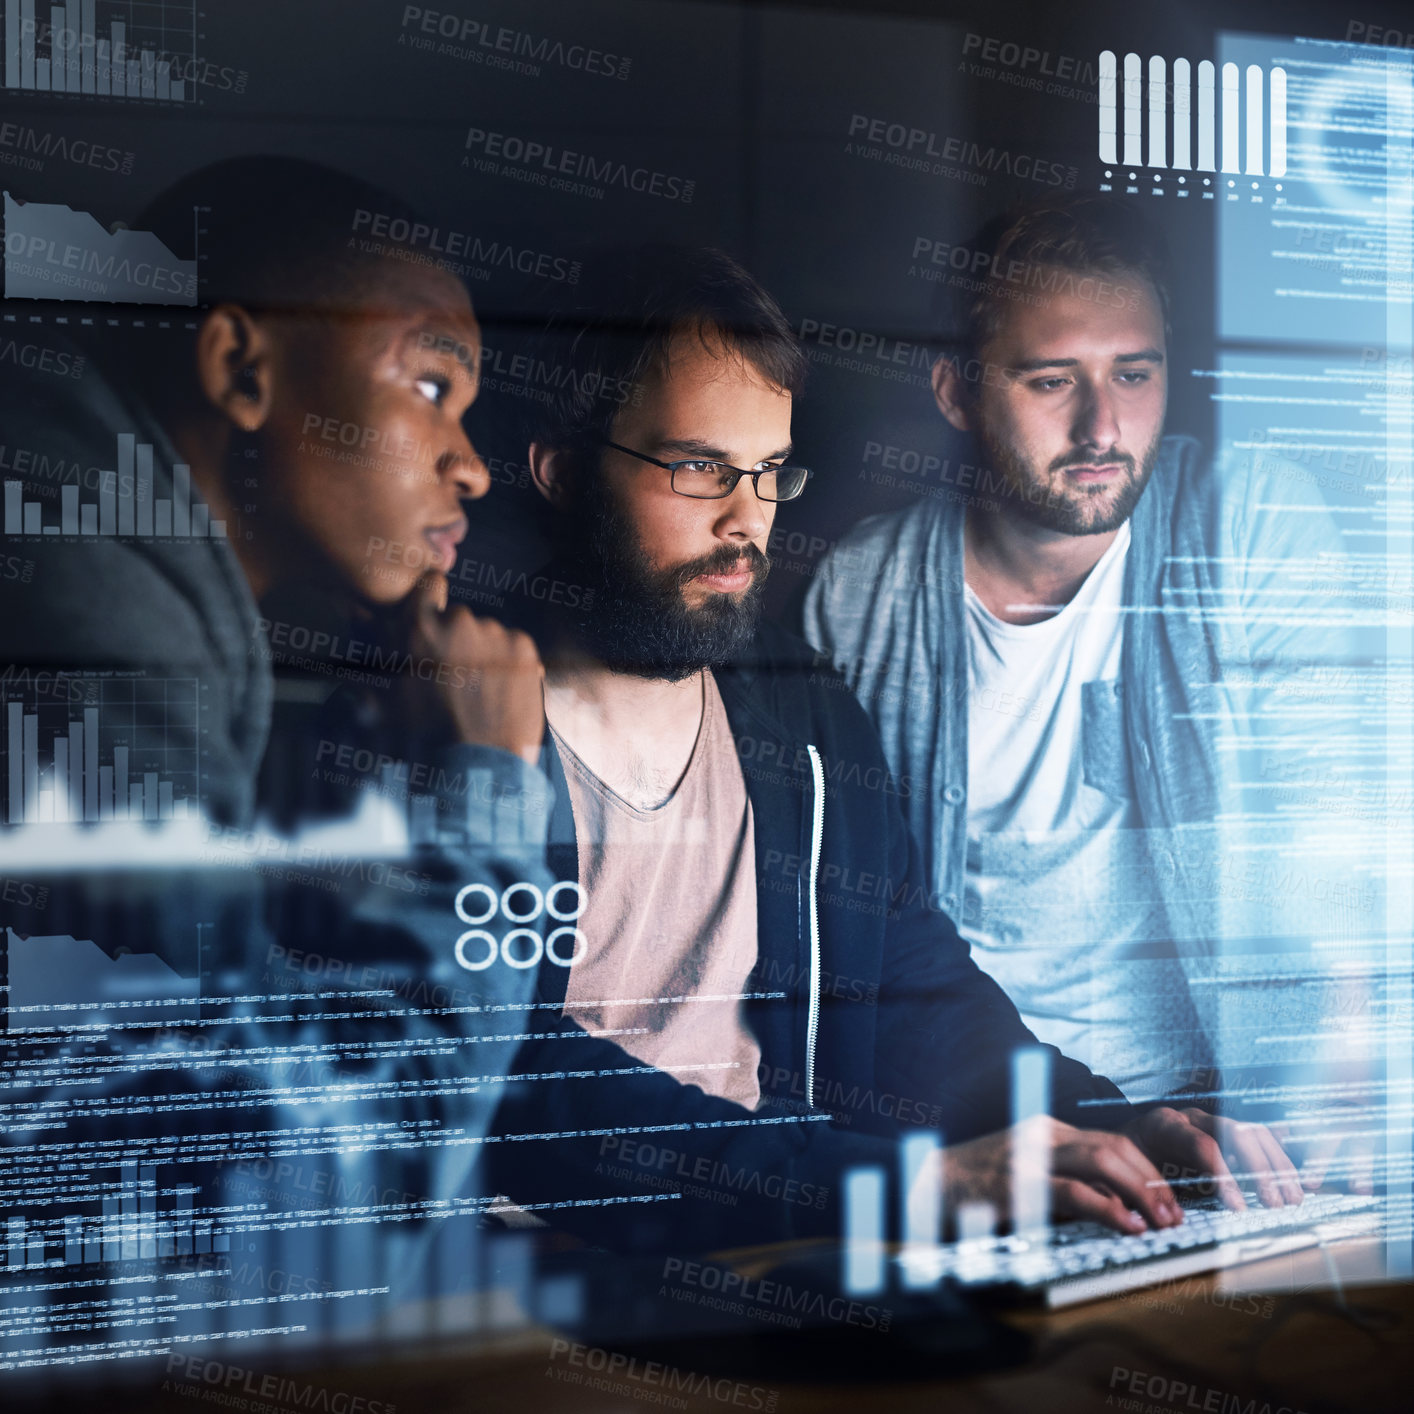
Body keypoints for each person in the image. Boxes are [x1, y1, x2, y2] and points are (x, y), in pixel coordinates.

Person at [482, 244, 1307, 1258]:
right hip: (512, 1281)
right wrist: (906, 1183)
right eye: (698, 467)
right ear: (562, 473)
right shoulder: (447, 726)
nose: (749, 521)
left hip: (778, 1247)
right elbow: (509, 1088)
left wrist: (1096, 1122)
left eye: (770, 473)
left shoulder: (803, 713)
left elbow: (914, 979)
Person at [0, 156, 553, 1346]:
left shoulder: (107, 549)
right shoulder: (91, 620)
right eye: (429, 382)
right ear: (242, 368)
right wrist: (488, 789)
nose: (472, 462)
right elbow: (285, 1208)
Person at [802, 196, 1371, 1183]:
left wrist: (1348, 1059)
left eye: (1134, 375)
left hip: (1224, 1127)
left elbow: (1324, 823)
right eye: (1053, 379)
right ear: (956, 391)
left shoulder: (1246, 521)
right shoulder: (861, 592)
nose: (1103, 425)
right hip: (988, 1129)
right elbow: (859, 931)